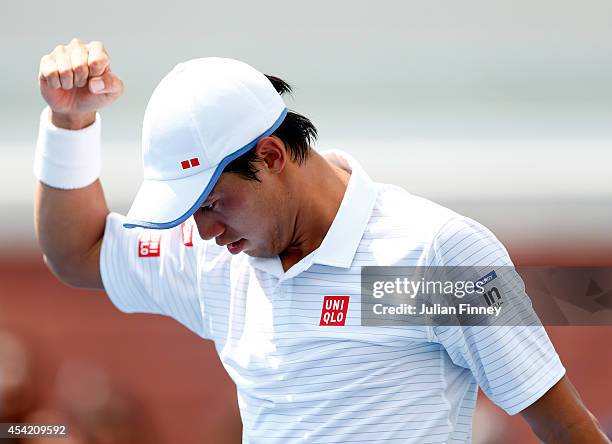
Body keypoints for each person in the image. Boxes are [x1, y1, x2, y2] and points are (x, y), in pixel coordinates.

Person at [34, 38, 609, 443]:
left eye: (209, 204)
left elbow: (561, 425)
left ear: (272, 156)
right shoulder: (216, 260)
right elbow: (77, 251)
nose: (204, 232)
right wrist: (69, 124)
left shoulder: (431, 257)